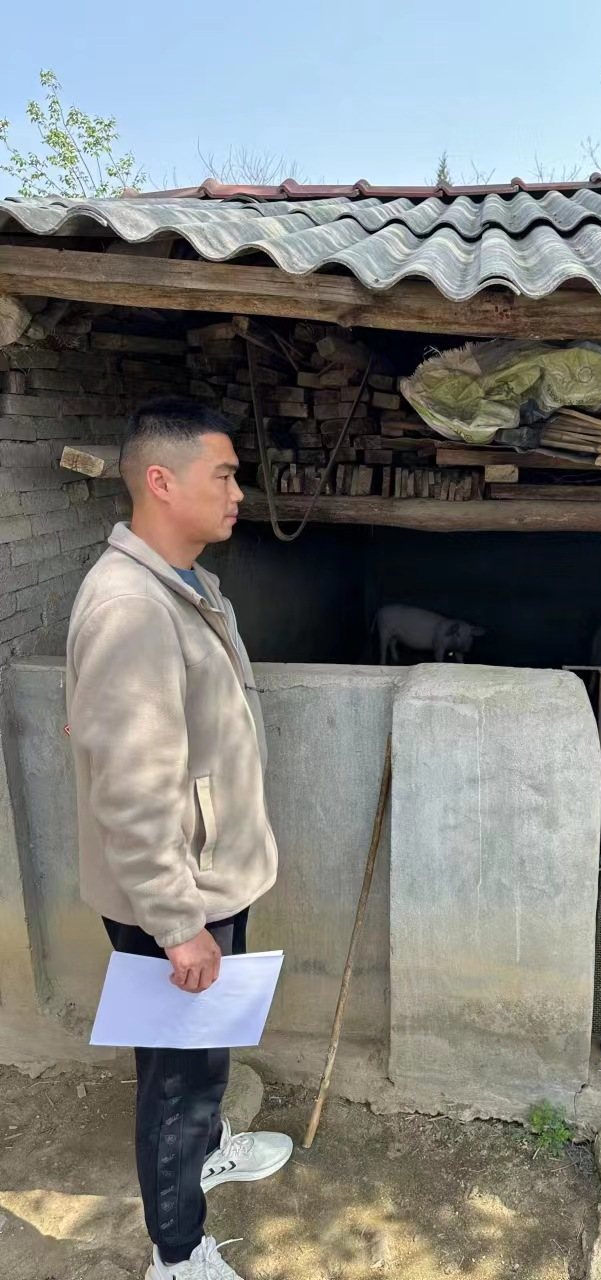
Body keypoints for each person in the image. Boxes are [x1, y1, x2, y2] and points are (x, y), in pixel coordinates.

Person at [66, 398, 292, 1280]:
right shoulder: (131, 607)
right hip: (178, 895)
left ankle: (208, 1150)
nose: (239, 493)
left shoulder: (186, 583)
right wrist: (176, 923)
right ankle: (175, 1252)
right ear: (161, 481)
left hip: (207, 876)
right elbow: (129, 789)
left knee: (200, 1058)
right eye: (225, 475)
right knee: (177, 1078)